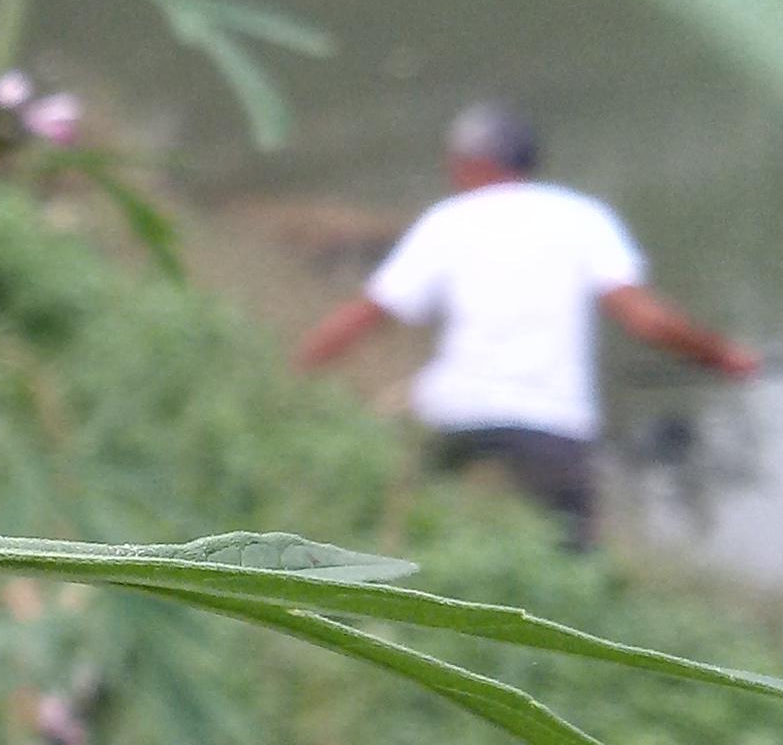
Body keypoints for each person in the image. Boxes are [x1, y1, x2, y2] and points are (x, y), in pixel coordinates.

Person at [296, 105, 759, 546]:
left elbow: (368, 314)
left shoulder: (447, 221)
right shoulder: (584, 218)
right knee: (572, 560)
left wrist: (300, 370)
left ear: (471, 164)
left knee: (405, 529)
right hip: (551, 422)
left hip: (454, 414)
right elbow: (647, 320)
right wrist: (721, 355)